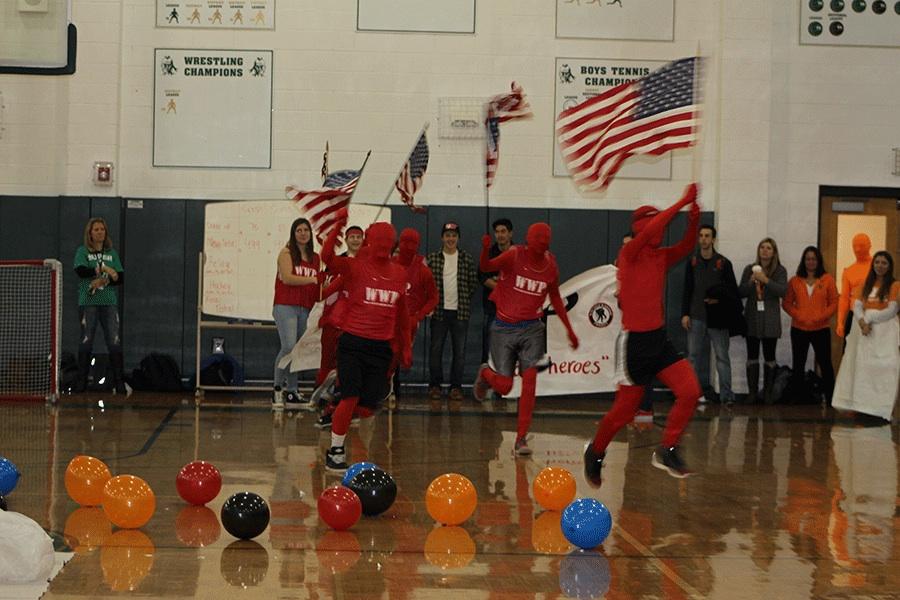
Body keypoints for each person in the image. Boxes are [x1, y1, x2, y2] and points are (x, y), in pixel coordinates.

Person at [584, 183, 702, 484]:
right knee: (623, 412)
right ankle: (595, 452)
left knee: (690, 391)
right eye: (652, 223)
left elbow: (687, 246)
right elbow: (651, 232)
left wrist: (693, 220)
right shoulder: (630, 252)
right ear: (642, 227)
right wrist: (681, 202)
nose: (658, 229)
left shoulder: (659, 257)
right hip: (634, 343)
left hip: (658, 339)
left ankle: (668, 448)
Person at [472, 222, 579, 455]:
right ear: (529, 240)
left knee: (530, 383)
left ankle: (521, 438)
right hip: (504, 327)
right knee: (506, 385)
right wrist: (484, 249)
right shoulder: (514, 255)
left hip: (532, 328)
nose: (542, 242)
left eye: (545, 239)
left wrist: (570, 329)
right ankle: (485, 373)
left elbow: (556, 298)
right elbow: (485, 267)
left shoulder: (551, 265)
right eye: (537, 238)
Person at [320, 218, 411, 472]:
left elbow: (402, 314)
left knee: (369, 404)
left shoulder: (399, 274)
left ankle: (334, 397)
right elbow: (328, 258)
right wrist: (335, 229)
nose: (383, 245)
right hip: (352, 343)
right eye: (379, 240)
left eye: (387, 241)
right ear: (372, 241)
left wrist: (406, 346)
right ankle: (336, 450)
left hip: (380, 347)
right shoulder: (356, 266)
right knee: (351, 397)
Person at [832, 251, 899, 421]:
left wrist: (869, 318)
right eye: (877, 262)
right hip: (863, 332)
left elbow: (891, 310)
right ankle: (862, 406)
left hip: (884, 333)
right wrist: (862, 321)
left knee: (884, 368)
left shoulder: (895, 285)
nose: (880, 266)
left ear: (889, 266)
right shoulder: (865, 284)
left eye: (884, 263)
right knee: (862, 369)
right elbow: (857, 305)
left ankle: (881, 408)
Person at [681, 224, 741, 404]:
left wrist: (720, 301)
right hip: (696, 316)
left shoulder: (723, 263)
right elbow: (687, 290)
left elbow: (733, 292)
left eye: (707, 236)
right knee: (692, 357)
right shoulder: (692, 262)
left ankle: (726, 396)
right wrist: (685, 313)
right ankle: (692, 394)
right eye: (701, 236)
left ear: (714, 239)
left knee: (722, 357)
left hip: (718, 318)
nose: (704, 239)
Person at [426, 222, 478, 403]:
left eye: (454, 235)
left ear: (458, 238)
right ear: (442, 237)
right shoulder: (433, 258)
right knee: (435, 350)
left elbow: (472, 284)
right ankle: (435, 386)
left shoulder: (466, 259)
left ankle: (456, 387)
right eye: (447, 235)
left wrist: (462, 300)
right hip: (439, 313)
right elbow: (426, 284)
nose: (450, 239)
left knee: (460, 352)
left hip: (460, 313)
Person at [73, 218, 126, 394]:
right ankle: (81, 382)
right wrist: (98, 270)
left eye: (102, 229)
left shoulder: (112, 253)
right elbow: (80, 271)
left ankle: (119, 383)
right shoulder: (83, 251)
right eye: (96, 229)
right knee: (86, 341)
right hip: (89, 302)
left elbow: (120, 277)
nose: (100, 232)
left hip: (108, 302)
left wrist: (104, 280)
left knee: (114, 341)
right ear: (90, 233)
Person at [272, 218, 320, 411]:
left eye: (306, 230)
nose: (302, 233)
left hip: (305, 308)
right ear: (293, 234)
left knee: (297, 351)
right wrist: (313, 279)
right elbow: (288, 278)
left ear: (310, 234)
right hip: (285, 306)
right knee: (289, 346)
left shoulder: (315, 258)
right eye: (298, 230)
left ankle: (292, 391)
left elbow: (318, 285)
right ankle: (277, 389)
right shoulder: (286, 253)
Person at [782, 246, 838, 405]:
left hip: (821, 329)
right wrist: (799, 315)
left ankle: (830, 397)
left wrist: (821, 316)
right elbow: (786, 303)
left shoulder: (828, 279)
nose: (811, 262)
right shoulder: (794, 280)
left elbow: (834, 302)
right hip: (799, 329)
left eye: (814, 259)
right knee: (798, 364)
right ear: (803, 261)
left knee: (826, 364)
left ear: (818, 261)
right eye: (808, 259)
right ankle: (798, 398)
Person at [390, 228, 438, 408]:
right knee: (388, 354)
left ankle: (394, 387)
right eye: (405, 242)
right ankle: (388, 388)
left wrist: (418, 316)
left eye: (413, 243)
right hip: (389, 319)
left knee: (400, 355)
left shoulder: (422, 269)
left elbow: (434, 297)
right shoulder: (390, 264)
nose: (408, 246)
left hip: (409, 321)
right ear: (399, 243)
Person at [738, 238, 788, 404]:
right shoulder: (749, 269)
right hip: (752, 317)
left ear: (774, 252)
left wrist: (765, 280)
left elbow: (782, 291)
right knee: (752, 355)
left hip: (770, 320)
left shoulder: (780, 271)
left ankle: (767, 393)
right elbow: (741, 292)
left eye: (769, 248)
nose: (765, 251)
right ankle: (752, 393)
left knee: (769, 356)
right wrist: (751, 281)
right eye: (762, 247)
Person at [478, 219, 513, 365]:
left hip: (514, 311)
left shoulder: (519, 253)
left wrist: (500, 282)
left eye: (503, 231)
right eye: (497, 232)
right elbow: (482, 277)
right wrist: (503, 288)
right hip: (493, 309)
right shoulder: (489, 253)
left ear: (510, 233)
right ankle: (487, 381)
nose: (500, 235)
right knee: (489, 346)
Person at [836, 233, 873, 340]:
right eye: (854, 246)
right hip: (854, 317)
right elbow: (844, 298)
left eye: (861, 245)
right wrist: (840, 322)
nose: (857, 249)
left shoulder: (877, 267)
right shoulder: (849, 271)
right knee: (850, 352)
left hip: (874, 315)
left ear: (869, 245)